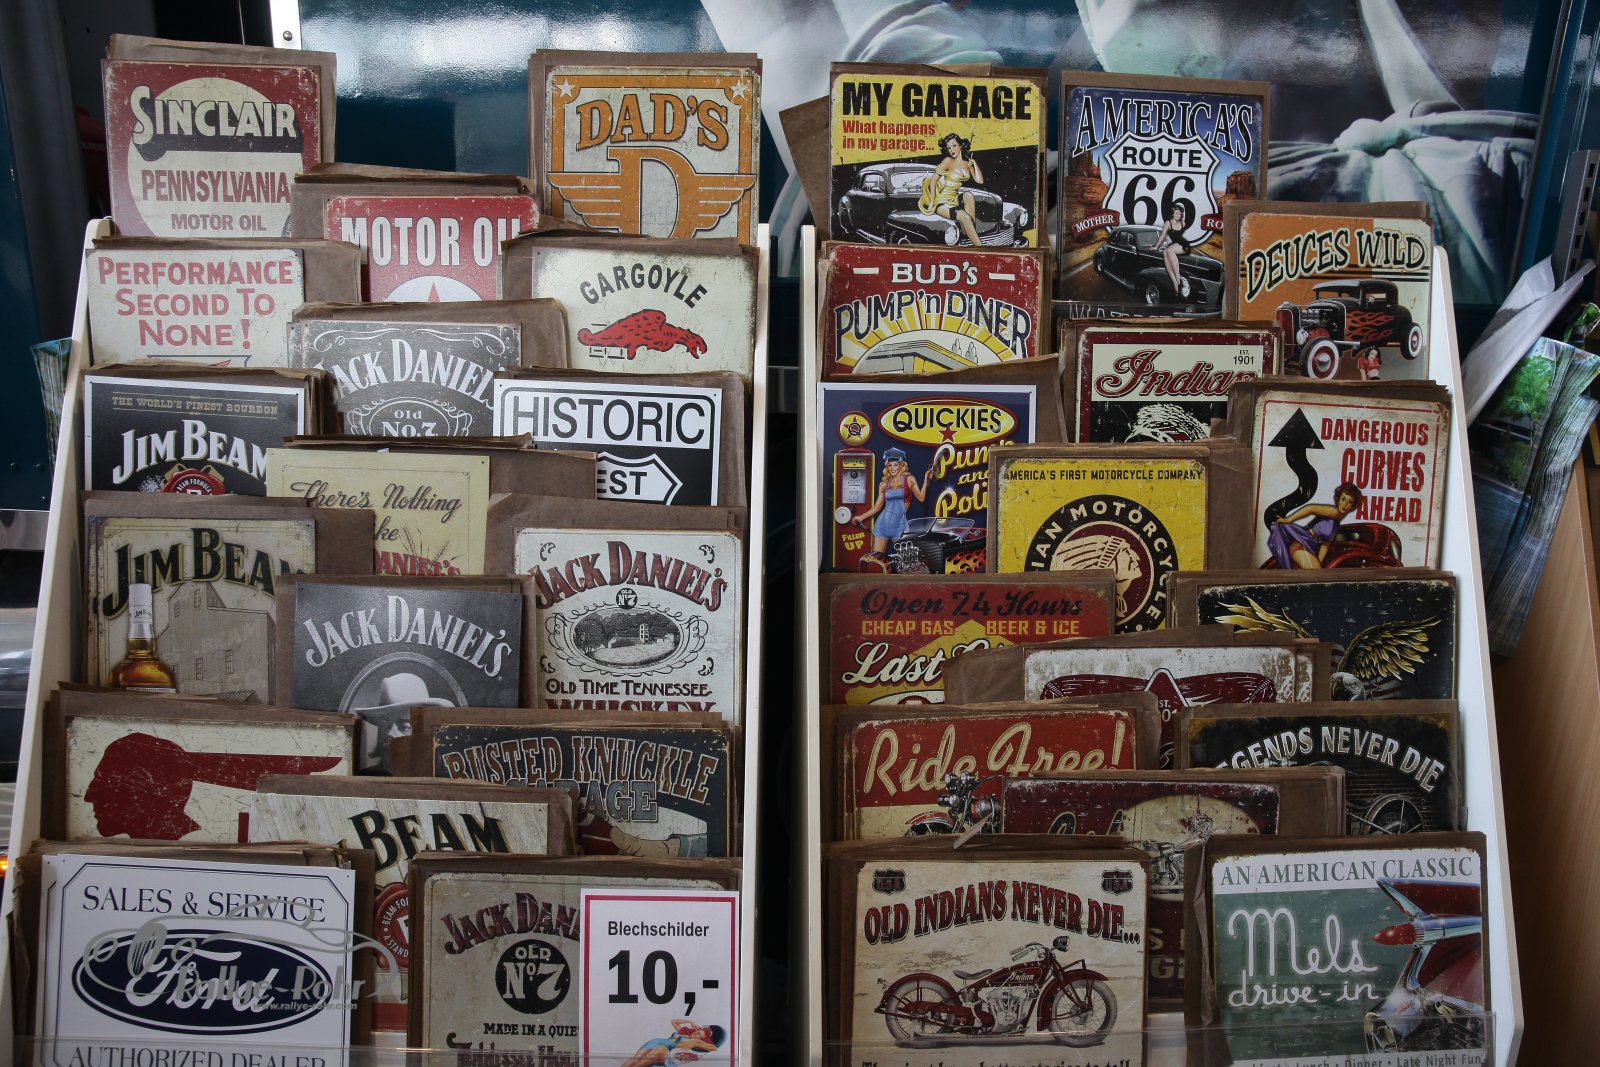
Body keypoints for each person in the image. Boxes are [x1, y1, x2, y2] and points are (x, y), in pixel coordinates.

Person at [852, 447, 931, 558]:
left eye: (895, 465)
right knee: (876, 560)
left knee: (904, 561)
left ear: (901, 465)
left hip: (899, 527)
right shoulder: (884, 484)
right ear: (887, 466)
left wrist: (926, 480)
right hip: (882, 526)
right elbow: (877, 507)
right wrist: (861, 517)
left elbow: (921, 498)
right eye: (890, 465)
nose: (892, 468)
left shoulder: (909, 479)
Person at [1268, 482, 1365, 568]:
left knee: (1314, 575)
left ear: (1353, 505)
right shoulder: (1334, 512)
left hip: (1308, 549)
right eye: (1343, 499)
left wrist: (1319, 562)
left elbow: (1326, 544)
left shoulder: (1337, 523)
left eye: (1350, 502)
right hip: (1301, 545)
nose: (1345, 504)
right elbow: (1311, 508)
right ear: (1338, 499)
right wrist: (1289, 519)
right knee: (1315, 574)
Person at [927, 132, 984, 247]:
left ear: (960, 146)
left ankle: (971, 236)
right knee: (964, 216)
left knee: (968, 195)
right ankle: (980, 248)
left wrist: (974, 163)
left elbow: (980, 181)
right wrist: (932, 202)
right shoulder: (947, 161)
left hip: (954, 200)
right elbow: (933, 181)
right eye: (949, 147)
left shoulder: (967, 164)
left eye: (954, 145)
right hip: (941, 202)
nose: (951, 150)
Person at [621, 1019, 726, 1066]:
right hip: (656, 1042)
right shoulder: (685, 1032)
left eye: (699, 1035)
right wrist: (690, 1021)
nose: (696, 1034)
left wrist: (701, 1044)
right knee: (632, 1061)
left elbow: (714, 1048)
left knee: (639, 1064)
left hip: (663, 1050)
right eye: (698, 1031)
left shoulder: (694, 1042)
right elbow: (674, 1021)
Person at [1155, 203, 1193, 300]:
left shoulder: (1183, 223)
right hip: (1175, 244)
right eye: (1176, 213)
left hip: (1183, 245)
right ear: (1172, 214)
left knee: (1169, 250)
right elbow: (1163, 235)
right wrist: (1156, 247)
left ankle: (1178, 279)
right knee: (1165, 252)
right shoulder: (1168, 223)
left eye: (1180, 214)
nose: (1178, 215)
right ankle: (1175, 282)